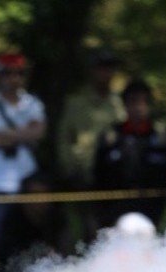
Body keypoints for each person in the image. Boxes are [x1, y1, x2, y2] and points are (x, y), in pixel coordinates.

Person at [0, 52, 47, 262]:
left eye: (18, 73)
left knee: (29, 241)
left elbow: (38, 133)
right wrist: (22, 134)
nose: (13, 78)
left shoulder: (33, 104)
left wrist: (1, 135)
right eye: (7, 73)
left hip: (27, 182)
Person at [92, 78, 166, 226]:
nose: (138, 107)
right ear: (125, 105)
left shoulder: (162, 137)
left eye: (143, 101)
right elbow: (98, 175)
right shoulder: (111, 137)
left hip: (152, 211)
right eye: (133, 101)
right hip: (115, 212)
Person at [56, 47, 124, 190]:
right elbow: (64, 138)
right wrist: (69, 169)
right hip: (81, 174)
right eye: (101, 67)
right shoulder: (75, 102)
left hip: (114, 176)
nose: (105, 72)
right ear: (92, 70)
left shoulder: (120, 104)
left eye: (109, 67)